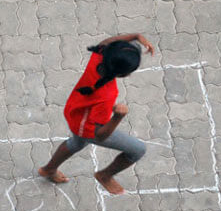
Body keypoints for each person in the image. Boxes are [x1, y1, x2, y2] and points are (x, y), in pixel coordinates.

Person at [39, 33, 155, 195]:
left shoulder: (98, 58)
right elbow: (99, 135)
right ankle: (105, 175)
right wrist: (117, 117)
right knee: (137, 150)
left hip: (76, 110)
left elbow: (107, 42)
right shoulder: (106, 95)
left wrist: (135, 36)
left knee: (77, 143)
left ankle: (48, 169)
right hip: (85, 125)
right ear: (123, 74)